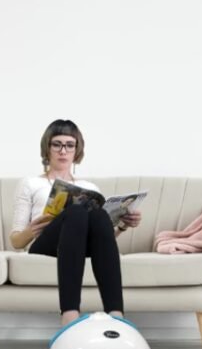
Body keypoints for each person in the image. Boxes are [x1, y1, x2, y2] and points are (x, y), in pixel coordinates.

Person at [9, 119, 142, 326]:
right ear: (48, 148)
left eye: (70, 145)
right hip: (45, 244)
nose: (63, 151)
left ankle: (116, 314)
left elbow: (101, 239)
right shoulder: (31, 183)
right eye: (57, 144)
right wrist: (30, 230)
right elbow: (16, 242)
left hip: (80, 244)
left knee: (98, 216)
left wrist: (122, 225)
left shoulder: (90, 187)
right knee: (76, 211)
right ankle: (69, 315)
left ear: (76, 150)